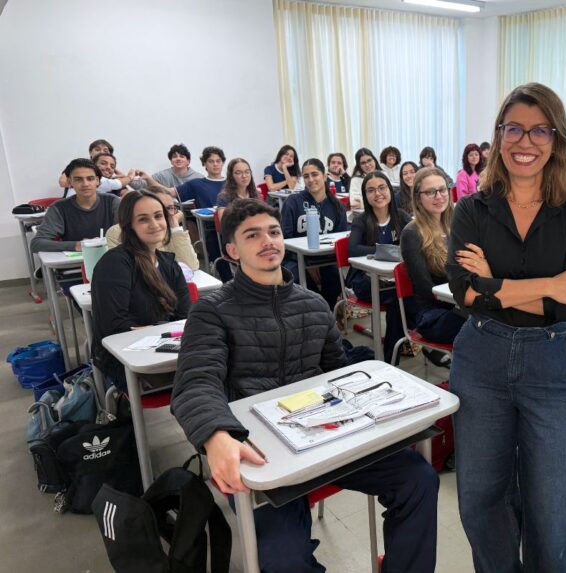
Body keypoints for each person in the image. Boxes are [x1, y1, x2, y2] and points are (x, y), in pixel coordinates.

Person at [170, 199, 439, 573]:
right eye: (253, 235)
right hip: (264, 455)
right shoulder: (213, 311)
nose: (268, 241)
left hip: (324, 442)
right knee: (285, 558)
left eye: (274, 232)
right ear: (232, 250)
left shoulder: (313, 305)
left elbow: (337, 373)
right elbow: (196, 382)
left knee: (418, 479)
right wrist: (215, 435)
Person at [446, 82, 566, 572]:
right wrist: (549, 284)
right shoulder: (472, 208)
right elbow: (464, 293)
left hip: (554, 361)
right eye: (514, 128)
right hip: (481, 357)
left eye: (539, 130)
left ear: (556, 140)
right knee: (480, 497)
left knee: (555, 507)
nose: (525, 141)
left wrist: (495, 283)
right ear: (498, 136)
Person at [91, 191, 191, 389]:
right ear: (130, 226)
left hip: (168, 350)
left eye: (158, 216)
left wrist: (161, 331)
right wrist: (166, 331)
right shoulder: (115, 262)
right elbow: (115, 325)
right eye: (143, 219)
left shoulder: (169, 263)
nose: (154, 225)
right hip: (126, 357)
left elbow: (186, 315)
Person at [347, 171, 412, 363]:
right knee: (399, 301)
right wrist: (385, 252)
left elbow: (415, 242)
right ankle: (391, 358)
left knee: (407, 299)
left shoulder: (401, 216)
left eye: (382, 188)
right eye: (371, 190)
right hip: (365, 281)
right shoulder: (362, 219)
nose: (378, 193)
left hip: (393, 280)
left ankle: (397, 351)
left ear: (390, 190)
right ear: (365, 195)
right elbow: (352, 249)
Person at [401, 166, 466, 347]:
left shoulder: (456, 225)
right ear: (418, 198)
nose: (439, 196)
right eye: (430, 192)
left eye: (442, 189)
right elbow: (425, 288)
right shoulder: (412, 233)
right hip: (433, 314)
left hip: (460, 306)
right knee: (485, 326)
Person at [281, 158, 348, 309]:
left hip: (326, 259)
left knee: (335, 278)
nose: (310, 180)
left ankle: (326, 314)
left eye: (315, 174)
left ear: (324, 176)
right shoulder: (293, 202)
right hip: (296, 259)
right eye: (306, 176)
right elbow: (284, 239)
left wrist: (319, 263)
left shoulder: (337, 205)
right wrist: (307, 263)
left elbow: (341, 240)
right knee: (298, 279)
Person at [33, 158, 122, 253]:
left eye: (90, 178)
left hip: (110, 260)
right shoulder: (59, 208)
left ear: (97, 181)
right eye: (78, 179)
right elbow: (37, 244)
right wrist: (78, 245)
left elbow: (129, 234)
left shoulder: (113, 202)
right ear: (70, 182)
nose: (85, 184)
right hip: (73, 265)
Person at [105, 186, 199, 270]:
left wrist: (175, 227)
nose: (166, 214)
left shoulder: (171, 229)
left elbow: (190, 266)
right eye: (159, 209)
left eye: (169, 208)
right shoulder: (117, 232)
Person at [348, 148, 382, 214]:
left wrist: (364, 203)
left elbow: (389, 198)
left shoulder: (383, 175)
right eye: (363, 163)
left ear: (374, 160)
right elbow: (356, 204)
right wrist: (379, 201)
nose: (367, 165)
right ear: (359, 165)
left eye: (369, 160)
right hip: (365, 215)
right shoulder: (356, 180)